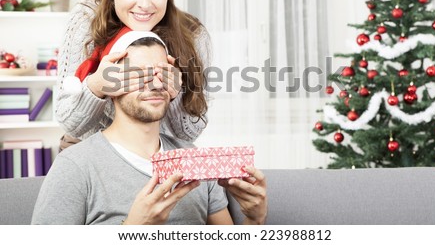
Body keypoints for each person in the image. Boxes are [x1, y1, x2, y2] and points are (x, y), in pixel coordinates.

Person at [32, 33, 267, 225]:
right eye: (139, 75)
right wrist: (132, 229)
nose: (155, 84)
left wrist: (254, 220)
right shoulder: (75, 167)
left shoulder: (194, 159)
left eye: (162, 74)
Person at [56, 0, 211, 149]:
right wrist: (97, 86)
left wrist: (175, 95)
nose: (145, 3)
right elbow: (68, 122)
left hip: (158, 153)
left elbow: (190, 134)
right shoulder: (86, 19)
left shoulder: (193, 34)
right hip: (88, 151)